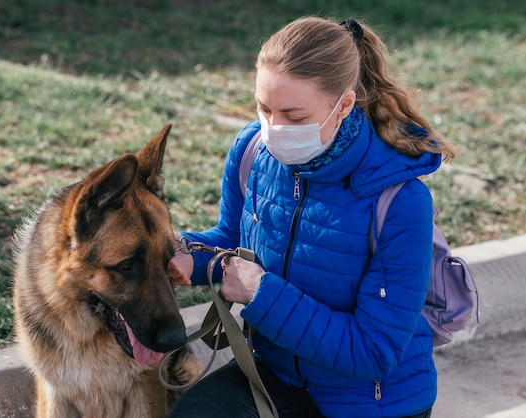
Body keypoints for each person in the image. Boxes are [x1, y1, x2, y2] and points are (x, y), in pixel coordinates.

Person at [167, 16, 455, 418]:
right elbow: (233, 240)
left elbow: (373, 351)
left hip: (370, 401)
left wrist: (261, 294)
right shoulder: (252, 150)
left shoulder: (401, 201)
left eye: (294, 116)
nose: (273, 128)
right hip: (276, 372)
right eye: (264, 108)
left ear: (344, 106)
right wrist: (188, 257)